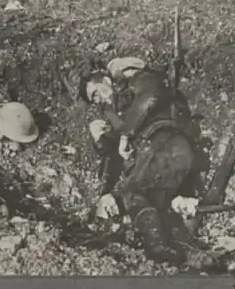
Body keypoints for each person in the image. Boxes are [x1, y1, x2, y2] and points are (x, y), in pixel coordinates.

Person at [75, 58, 211, 266]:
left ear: (103, 78)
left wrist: (125, 135)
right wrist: (99, 140)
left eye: (96, 92)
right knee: (156, 204)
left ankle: (158, 251)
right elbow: (111, 156)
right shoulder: (118, 112)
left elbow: (150, 98)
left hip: (167, 145)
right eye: (94, 100)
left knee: (134, 194)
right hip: (159, 157)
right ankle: (182, 256)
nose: (98, 100)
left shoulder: (140, 80)